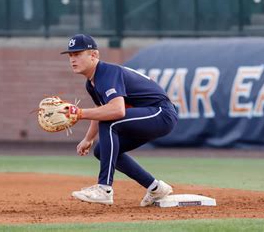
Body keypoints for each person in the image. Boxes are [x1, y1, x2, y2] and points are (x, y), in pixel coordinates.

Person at [60, 34, 178, 206]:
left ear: (94, 55)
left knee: (111, 121)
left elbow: (116, 110)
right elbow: (102, 110)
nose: (72, 59)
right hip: (147, 116)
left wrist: (79, 113)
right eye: (70, 55)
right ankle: (156, 188)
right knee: (101, 150)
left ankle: (104, 189)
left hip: (161, 113)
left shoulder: (107, 73)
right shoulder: (91, 83)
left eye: (78, 54)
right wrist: (88, 138)